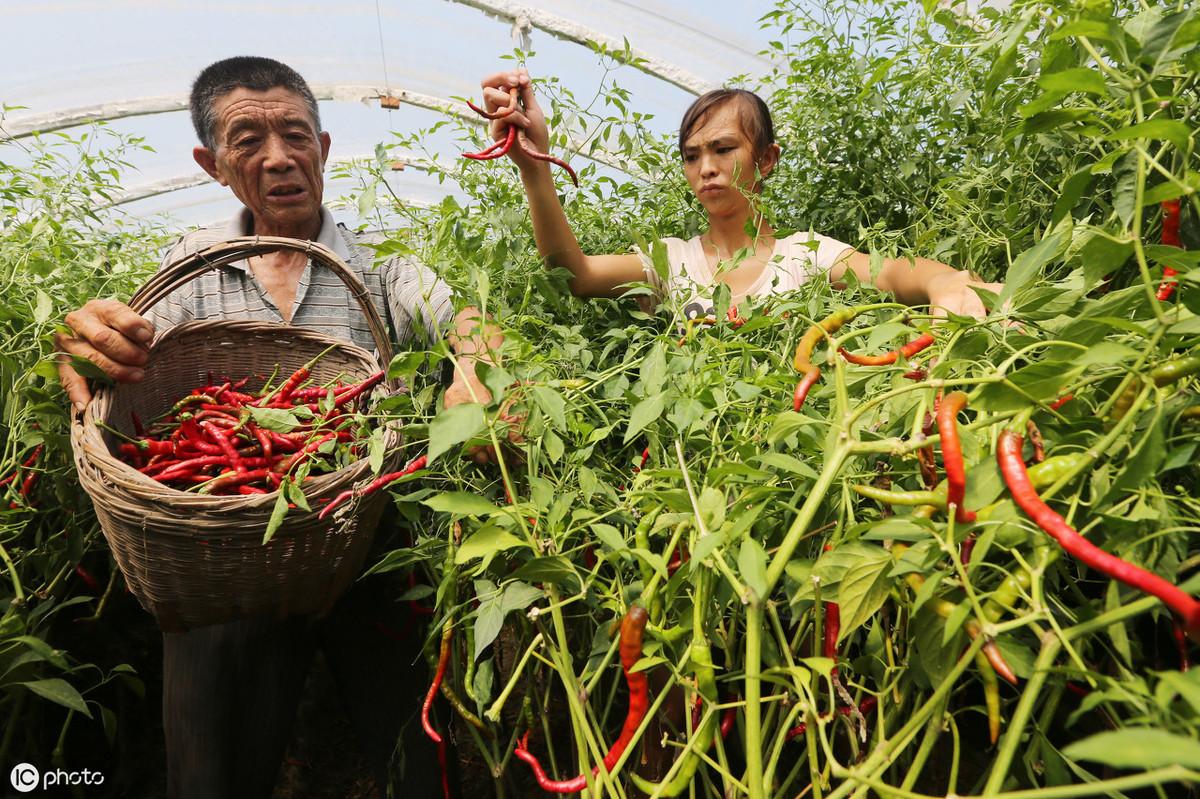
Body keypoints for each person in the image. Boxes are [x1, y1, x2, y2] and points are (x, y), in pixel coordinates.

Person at [55, 57, 497, 798]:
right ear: (213, 163)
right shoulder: (190, 266)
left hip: (364, 536)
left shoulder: (385, 266)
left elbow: (469, 323)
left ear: (323, 148)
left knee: (416, 753)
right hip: (225, 552)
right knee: (208, 766)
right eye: (248, 139)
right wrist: (94, 347)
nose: (280, 156)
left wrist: (477, 365)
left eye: (296, 134)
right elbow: (124, 358)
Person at [476, 69, 1002, 319]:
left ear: (767, 160)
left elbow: (892, 271)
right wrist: (534, 166)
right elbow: (577, 275)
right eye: (691, 155)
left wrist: (948, 282)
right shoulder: (671, 262)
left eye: (724, 149)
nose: (706, 168)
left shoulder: (805, 256)